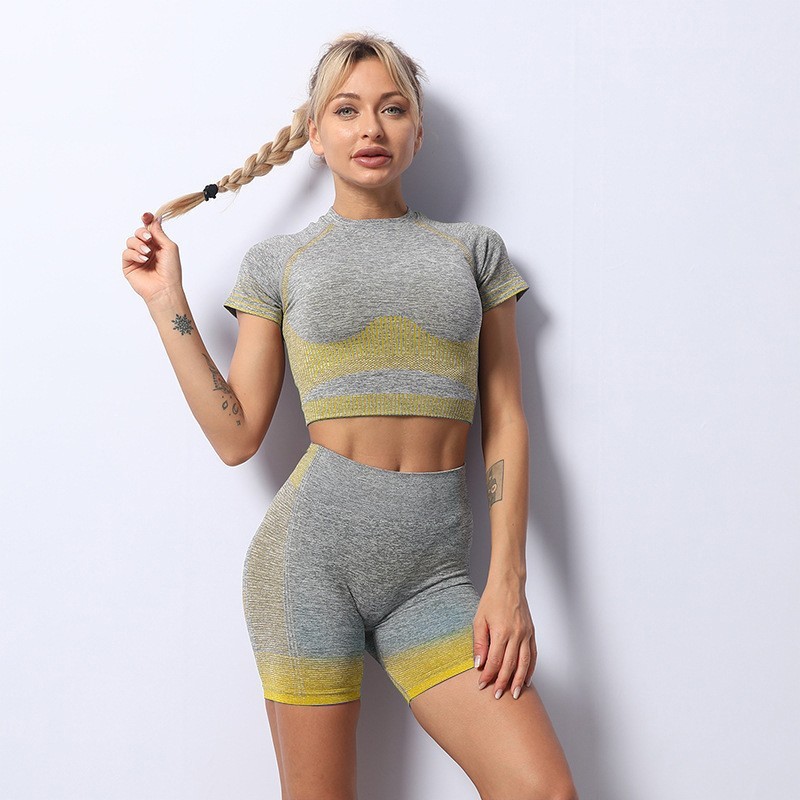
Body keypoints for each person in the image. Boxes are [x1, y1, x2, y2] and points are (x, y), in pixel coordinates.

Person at [121, 30, 578, 800]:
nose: (371, 128)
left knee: (541, 790)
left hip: (432, 578)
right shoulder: (279, 261)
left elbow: (506, 418)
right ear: (314, 134)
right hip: (310, 562)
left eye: (393, 109)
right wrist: (167, 299)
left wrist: (508, 581)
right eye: (347, 110)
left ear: (417, 132)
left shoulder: (473, 251)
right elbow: (237, 435)